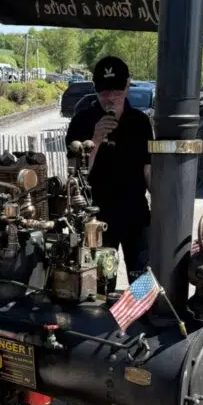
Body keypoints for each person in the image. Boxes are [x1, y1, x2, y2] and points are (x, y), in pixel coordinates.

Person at [65, 55, 152, 277]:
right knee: (100, 285)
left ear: (127, 87)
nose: (110, 97)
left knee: (142, 280)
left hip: (135, 216)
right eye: (104, 91)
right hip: (97, 218)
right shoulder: (81, 121)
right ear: (96, 90)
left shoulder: (140, 122)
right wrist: (95, 139)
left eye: (116, 90)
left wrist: (163, 211)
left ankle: (140, 313)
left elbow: (148, 170)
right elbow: (75, 175)